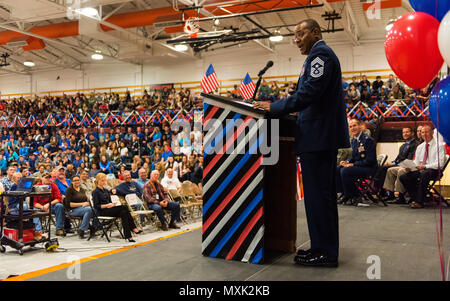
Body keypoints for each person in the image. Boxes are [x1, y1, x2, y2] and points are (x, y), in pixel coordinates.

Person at [253, 19, 349, 267]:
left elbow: (309, 93)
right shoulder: (316, 56)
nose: (296, 39)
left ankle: (326, 253)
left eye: (300, 33)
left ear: (315, 32)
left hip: (319, 137)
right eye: (294, 35)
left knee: (319, 198)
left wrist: (275, 107)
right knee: (319, 197)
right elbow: (310, 96)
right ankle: (320, 247)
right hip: (317, 137)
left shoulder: (321, 56)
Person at [399, 125, 446, 209]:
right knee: (403, 177)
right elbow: (416, 162)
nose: (424, 134)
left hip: (434, 170)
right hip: (421, 170)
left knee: (425, 173)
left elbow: (440, 163)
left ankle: (419, 201)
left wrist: (424, 166)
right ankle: (416, 198)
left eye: (427, 132)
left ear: (432, 132)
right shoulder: (420, 147)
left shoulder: (439, 146)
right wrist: (410, 167)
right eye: (422, 132)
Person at [336, 119, 377, 205]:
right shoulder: (354, 140)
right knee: (338, 168)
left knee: (345, 171)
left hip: (368, 168)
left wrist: (353, 164)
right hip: (360, 166)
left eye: (354, 125)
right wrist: (346, 162)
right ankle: (344, 193)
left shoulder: (367, 140)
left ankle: (353, 195)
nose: (352, 128)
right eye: (350, 127)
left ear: (360, 126)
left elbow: (370, 160)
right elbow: (354, 157)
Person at [92, 173, 141, 242]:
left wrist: (112, 204)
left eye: (104, 180)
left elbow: (109, 201)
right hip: (102, 211)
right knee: (124, 207)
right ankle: (133, 228)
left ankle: (129, 237)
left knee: (124, 213)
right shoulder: (95, 192)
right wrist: (108, 205)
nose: (104, 182)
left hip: (110, 209)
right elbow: (96, 206)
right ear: (98, 181)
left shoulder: (106, 190)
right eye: (102, 180)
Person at [381, 127, 419, 204]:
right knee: (389, 170)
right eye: (403, 132)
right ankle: (390, 194)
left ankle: (401, 196)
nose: (405, 134)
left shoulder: (416, 144)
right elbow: (398, 158)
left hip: (409, 166)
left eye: (407, 132)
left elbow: (410, 158)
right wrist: (392, 162)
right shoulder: (403, 145)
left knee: (399, 171)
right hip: (401, 164)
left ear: (412, 133)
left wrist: (396, 163)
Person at [33, 172, 66, 236]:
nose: (48, 179)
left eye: (49, 178)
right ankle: (38, 231)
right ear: (41, 178)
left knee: (59, 206)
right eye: (46, 178)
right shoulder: (36, 187)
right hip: (40, 207)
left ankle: (59, 229)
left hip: (51, 206)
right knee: (34, 209)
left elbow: (58, 198)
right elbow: (34, 202)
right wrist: (42, 207)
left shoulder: (53, 185)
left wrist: (48, 204)